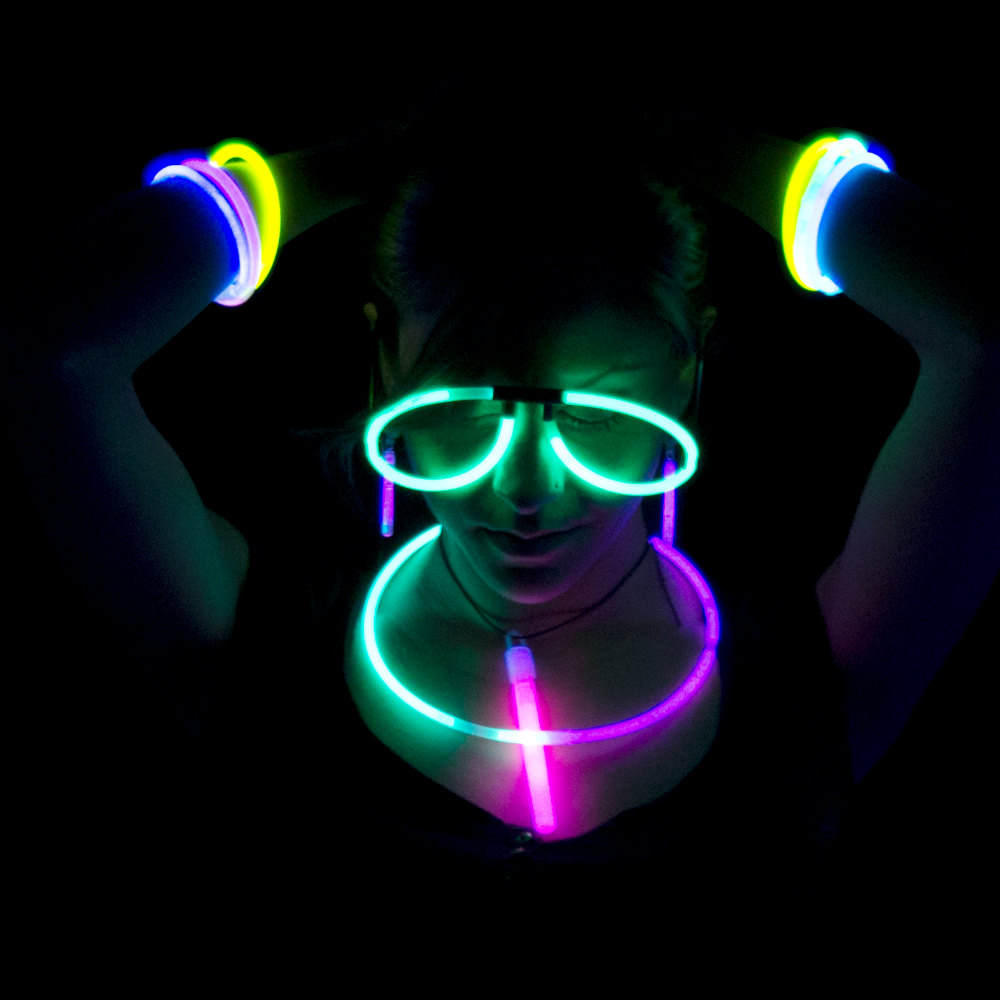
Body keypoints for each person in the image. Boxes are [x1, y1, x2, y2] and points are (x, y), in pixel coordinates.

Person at [2, 76, 996, 920]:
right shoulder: (265, 639)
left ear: (685, 378)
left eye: (594, 411)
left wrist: (688, 142)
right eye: (467, 408)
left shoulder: (800, 675)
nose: (526, 486)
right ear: (384, 367)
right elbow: (57, 342)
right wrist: (347, 165)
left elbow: (989, 331)